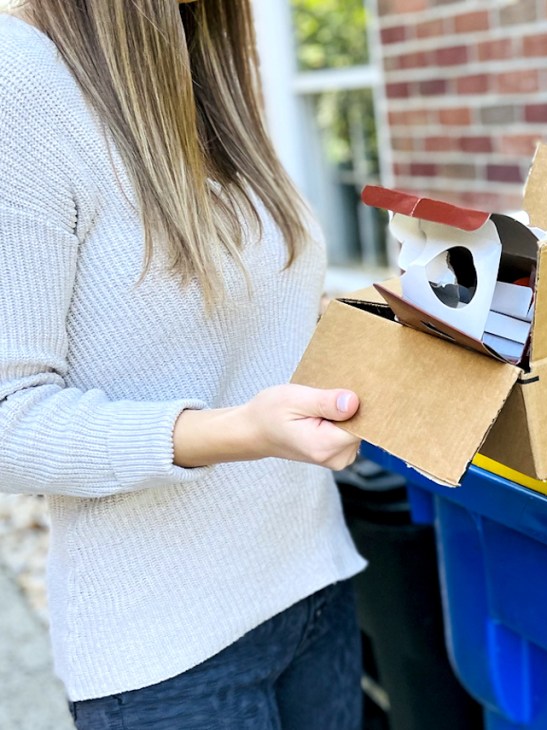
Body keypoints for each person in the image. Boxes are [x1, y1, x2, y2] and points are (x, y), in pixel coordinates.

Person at [0, 1, 369, 727]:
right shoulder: (20, 86)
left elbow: (239, 309)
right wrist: (237, 432)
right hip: (169, 653)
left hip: (313, 584)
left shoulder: (203, 64)